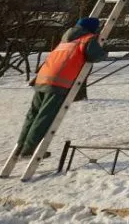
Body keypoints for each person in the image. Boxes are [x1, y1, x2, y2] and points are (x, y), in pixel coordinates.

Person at [16, 17, 106, 157]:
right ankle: (29, 150)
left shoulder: (66, 39)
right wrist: (104, 52)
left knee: (33, 114)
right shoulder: (87, 38)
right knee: (45, 117)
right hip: (58, 82)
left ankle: (20, 147)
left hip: (42, 78)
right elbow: (95, 56)